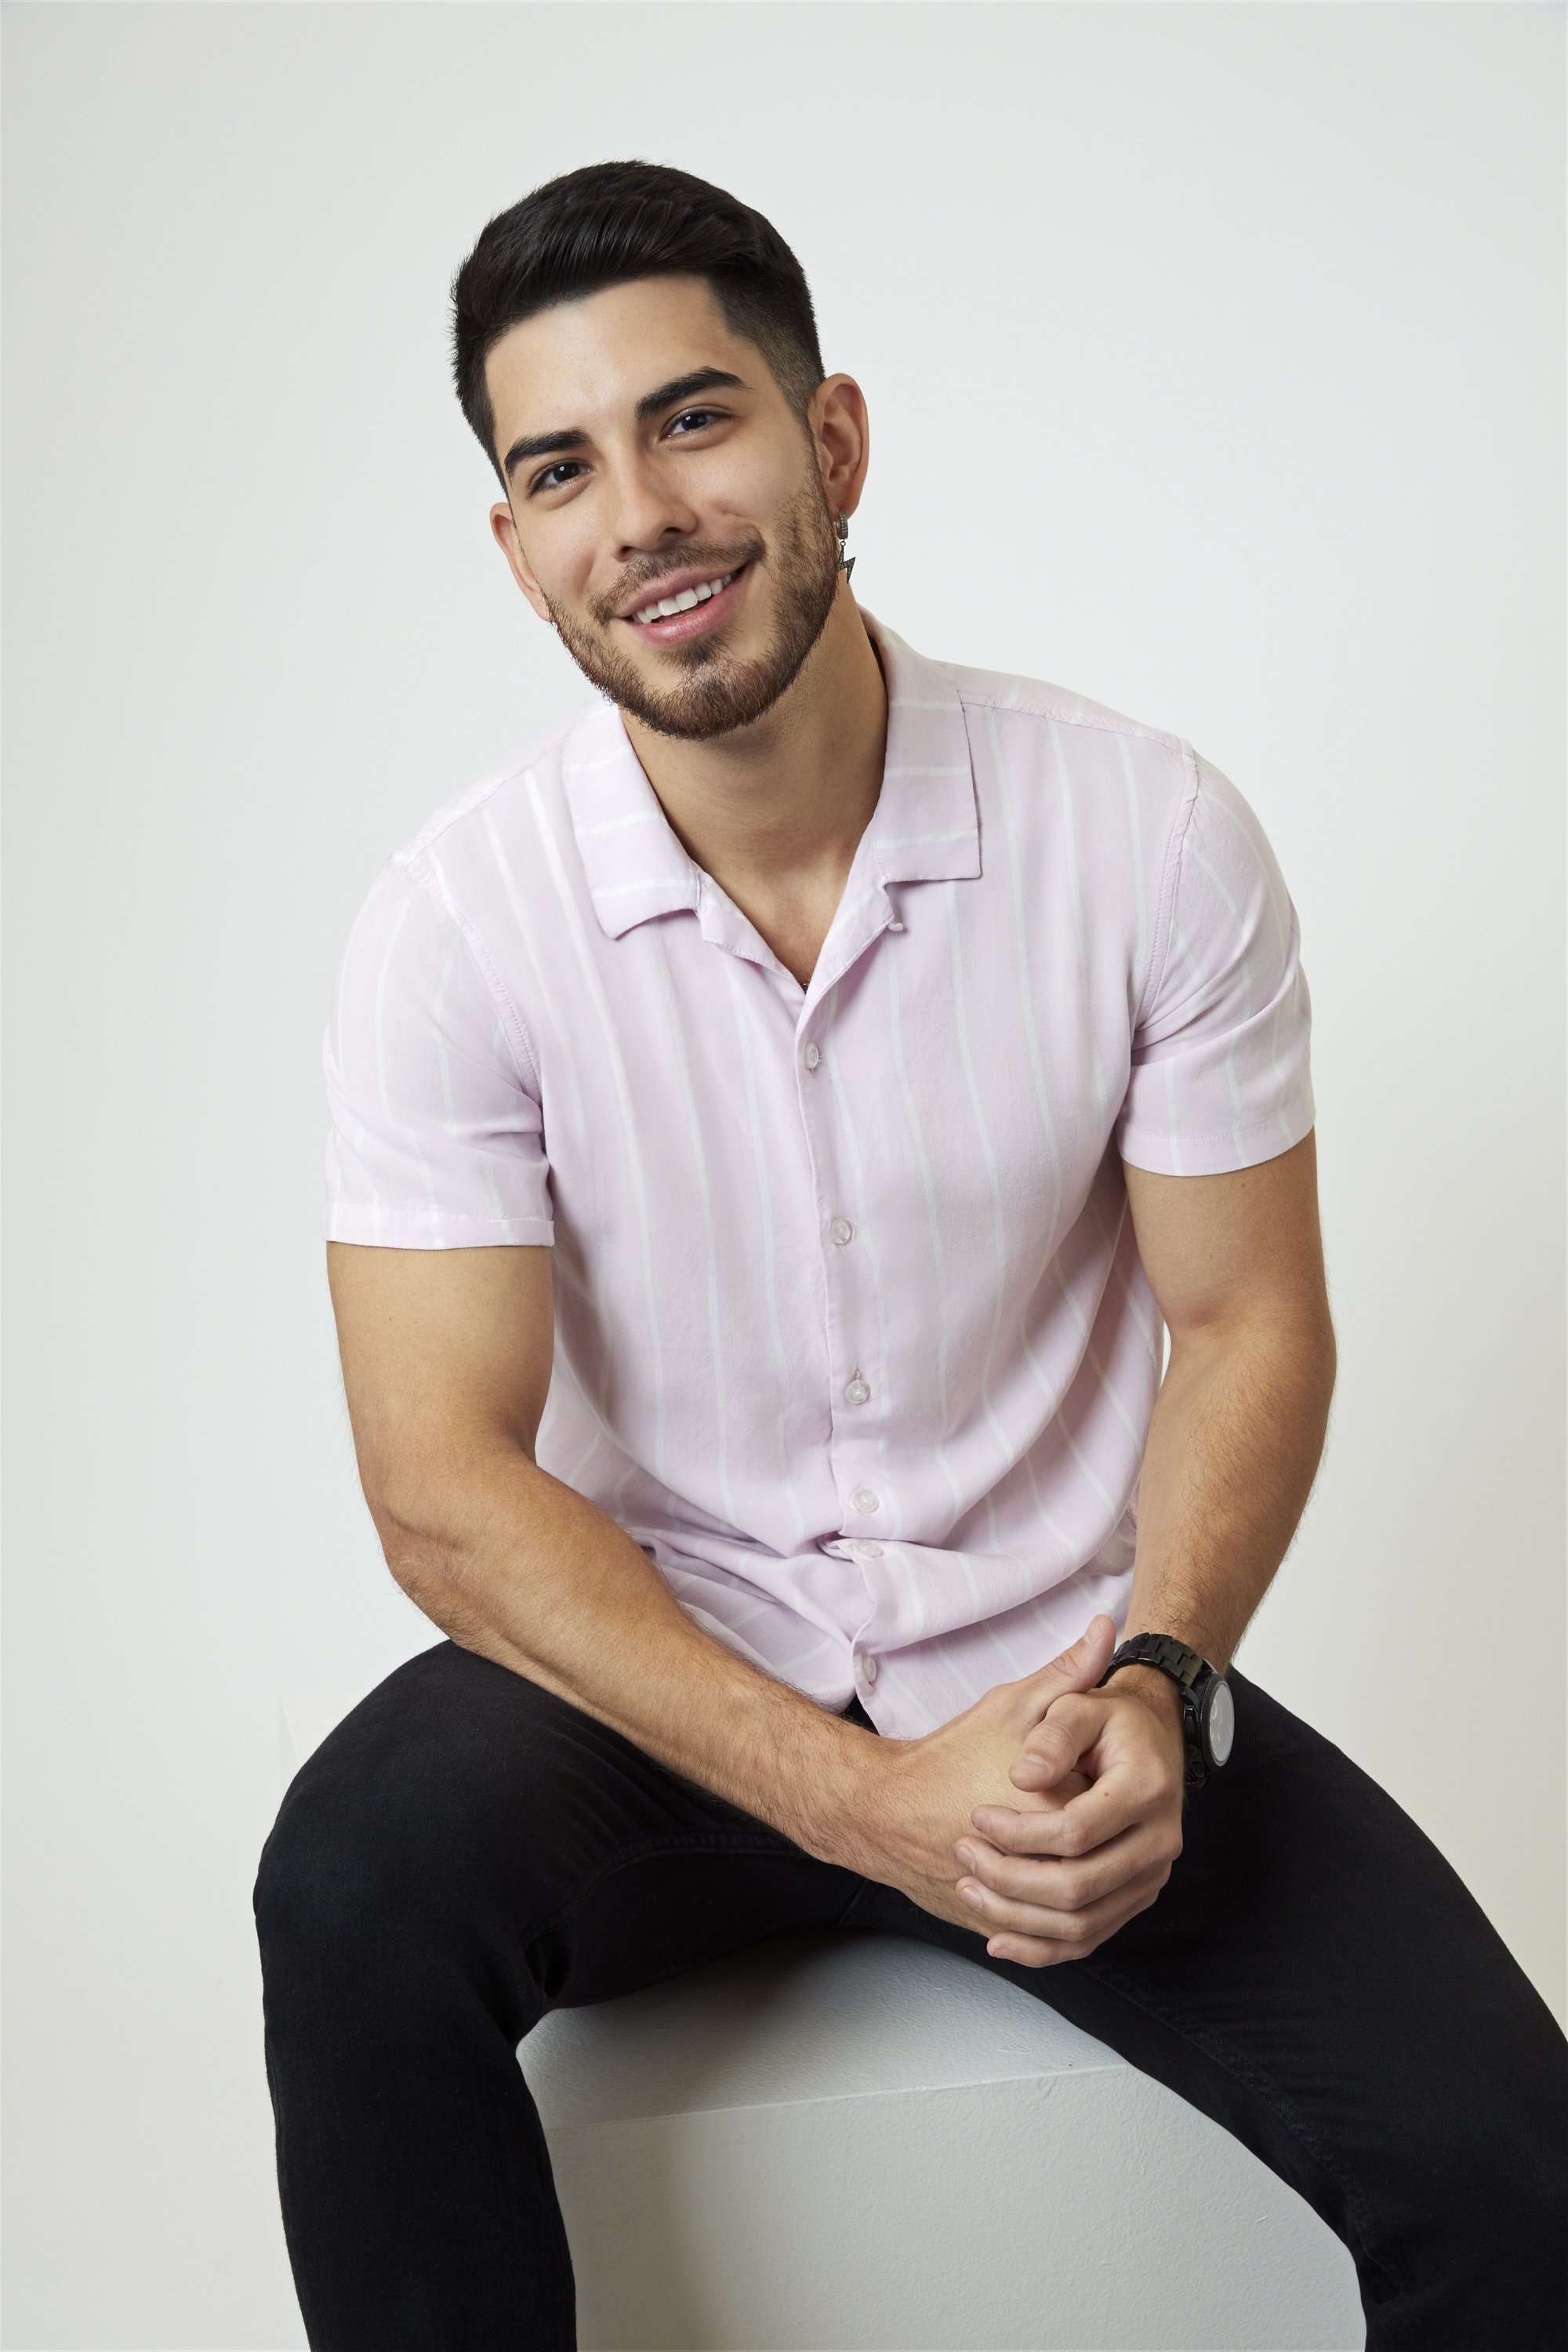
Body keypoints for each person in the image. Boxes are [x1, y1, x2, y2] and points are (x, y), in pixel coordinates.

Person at [253, 160, 1566, 2351]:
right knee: (358, 1881)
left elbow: (1246, 1321)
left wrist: (1163, 1678)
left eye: (694, 422)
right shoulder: (455, 929)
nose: (639, 517)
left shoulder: (1144, 838)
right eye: (559, 469)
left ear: (831, 439)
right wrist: (865, 1806)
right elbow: (442, 1489)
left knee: (1527, 2188)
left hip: (1060, 1702)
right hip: (656, 1699)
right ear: (515, 548)